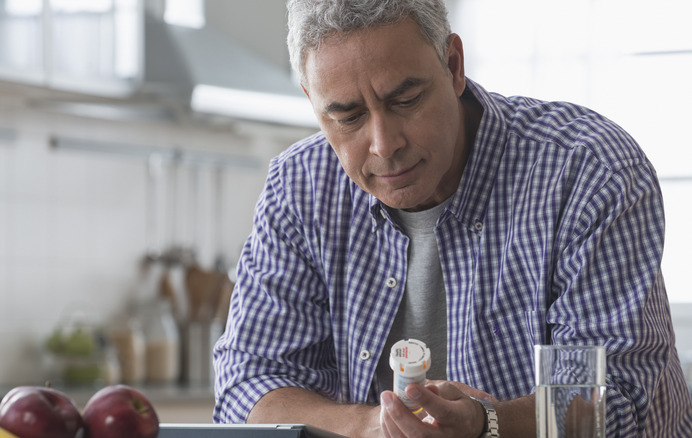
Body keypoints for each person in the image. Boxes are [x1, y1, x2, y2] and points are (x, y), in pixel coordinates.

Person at [212, 0, 692, 436]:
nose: (384, 144)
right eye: (348, 116)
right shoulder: (300, 187)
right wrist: (372, 428)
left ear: (453, 65)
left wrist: (487, 425)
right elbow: (246, 388)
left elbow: (610, 408)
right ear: (313, 104)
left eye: (405, 100)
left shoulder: (587, 172)